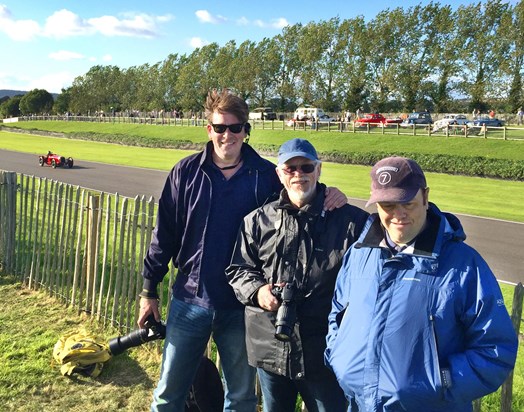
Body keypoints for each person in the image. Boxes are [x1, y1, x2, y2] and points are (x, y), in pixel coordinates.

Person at [138, 89, 347, 412]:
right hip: (190, 301)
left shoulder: (266, 176)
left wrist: (331, 194)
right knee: (168, 394)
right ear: (209, 129)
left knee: (240, 398)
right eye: (220, 127)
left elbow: (300, 191)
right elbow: (163, 234)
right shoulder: (186, 172)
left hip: (243, 308)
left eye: (236, 128)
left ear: (246, 131)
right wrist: (149, 290)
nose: (227, 135)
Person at [325, 156, 518, 412]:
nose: (398, 214)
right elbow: (337, 315)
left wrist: (441, 381)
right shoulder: (359, 254)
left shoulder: (464, 265)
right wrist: (338, 357)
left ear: (425, 197)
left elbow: (496, 349)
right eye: (388, 204)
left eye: (407, 202)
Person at [226, 138, 369, 412]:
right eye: (290, 169)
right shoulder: (257, 221)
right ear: (279, 174)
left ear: (318, 170)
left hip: (325, 352)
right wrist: (259, 292)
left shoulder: (351, 222)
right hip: (270, 345)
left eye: (306, 167)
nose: (298, 175)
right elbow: (238, 269)